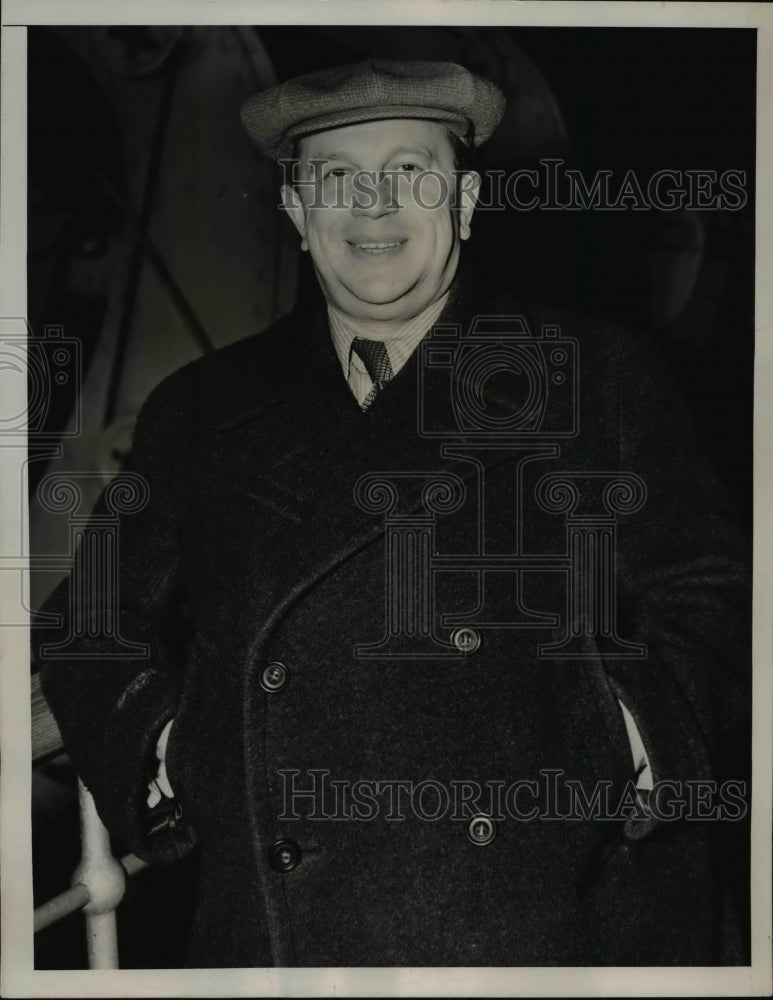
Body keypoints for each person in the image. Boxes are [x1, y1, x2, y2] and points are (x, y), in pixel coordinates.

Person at [35, 59, 750, 967]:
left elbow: (717, 593)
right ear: (296, 214)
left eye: (410, 172)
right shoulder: (202, 409)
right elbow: (90, 615)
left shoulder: (601, 374)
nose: (372, 206)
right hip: (289, 936)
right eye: (335, 178)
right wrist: (168, 748)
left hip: (569, 923)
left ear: (464, 202)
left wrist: (620, 733)